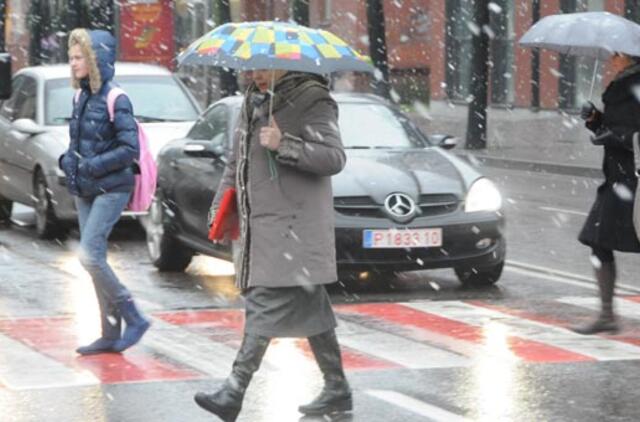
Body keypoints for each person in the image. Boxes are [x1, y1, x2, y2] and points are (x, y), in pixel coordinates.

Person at [194, 69, 351, 421]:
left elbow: (334, 158)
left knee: (263, 302)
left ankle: (233, 391)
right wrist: (219, 208)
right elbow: (235, 165)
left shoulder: (313, 99)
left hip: (296, 227)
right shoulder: (251, 100)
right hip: (262, 228)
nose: (254, 76)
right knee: (312, 308)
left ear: (281, 65)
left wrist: (285, 144)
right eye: (248, 70)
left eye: (261, 69)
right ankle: (337, 387)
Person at [58, 29, 150, 354]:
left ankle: (134, 315)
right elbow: (77, 144)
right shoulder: (79, 96)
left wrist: (92, 165)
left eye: (79, 57)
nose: (73, 63)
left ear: (95, 60)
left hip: (113, 186)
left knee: (90, 256)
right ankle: (110, 333)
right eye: (70, 58)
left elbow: (129, 149)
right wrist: (69, 161)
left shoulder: (116, 98)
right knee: (94, 259)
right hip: (85, 187)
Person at [573, 51, 640, 334]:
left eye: (616, 54)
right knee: (597, 240)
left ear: (629, 57)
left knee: (602, 240)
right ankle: (606, 314)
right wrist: (595, 120)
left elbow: (631, 132)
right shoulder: (620, 86)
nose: (611, 58)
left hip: (635, 181)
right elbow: (616, 128)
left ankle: (607, 314)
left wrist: (621, 138)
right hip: (616, 179)